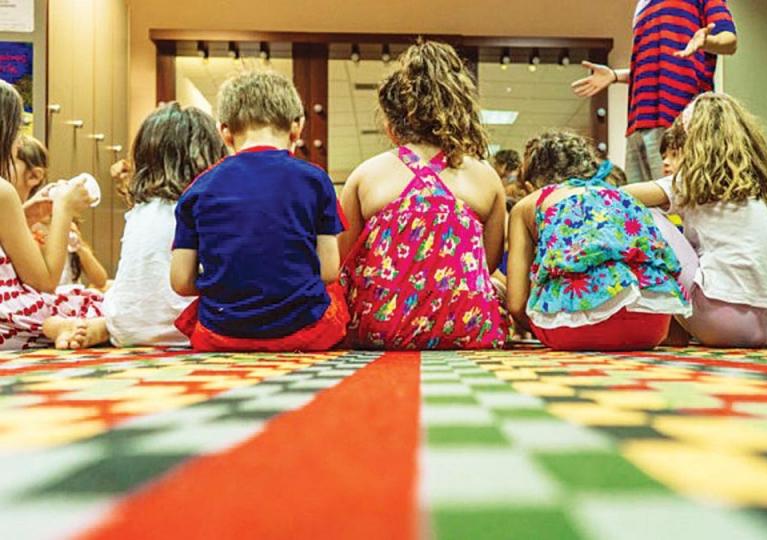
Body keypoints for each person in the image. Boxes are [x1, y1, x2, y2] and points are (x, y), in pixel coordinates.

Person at [338, 41, 508, 350]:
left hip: (380, 329)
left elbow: (343, 259)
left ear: (391, 126)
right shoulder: (485, 177)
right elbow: (487, 261)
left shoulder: (365, 175)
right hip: (466, 327)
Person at [170, 71, 348, 352]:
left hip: (221, 333)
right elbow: (328, 271)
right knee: (338, 293)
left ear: (225, 132)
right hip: (303, 331)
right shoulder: (316, 180)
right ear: (297, 128)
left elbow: (181, 282)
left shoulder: (198, 189)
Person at [625, 93, 767, 347]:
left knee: (645, 216)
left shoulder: (689, 183)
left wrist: (575, 191)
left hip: (717, 323)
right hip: (765, 328)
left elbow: (621, 195)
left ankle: (665, 329)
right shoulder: (757, 195)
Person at [506, 130, 689, 351]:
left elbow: (516, 304)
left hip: (572, 331)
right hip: (651, 325)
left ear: (530, 185)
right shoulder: (621, 195)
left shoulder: (529, 204)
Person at [98, 103, 228, 347]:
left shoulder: (140, 211)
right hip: (186, 331)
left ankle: (98, 327)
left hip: (125, 329)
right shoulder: (200, 209)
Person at [572, 0, 738, 183]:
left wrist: (707, 41)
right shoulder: (642, 6)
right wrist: (615, 75)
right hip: (637, 124)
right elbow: (653, 67)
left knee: (678, 196)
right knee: (638, 200)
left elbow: (729, 41)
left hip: (678, 120)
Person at [0, 80, 103, 350]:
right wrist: (64, 209)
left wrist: (24, 216)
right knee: (94, 302)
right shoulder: (3, 192)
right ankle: (55, 326)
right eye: (18, 131)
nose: (18, 142)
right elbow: (44, 282)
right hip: (6, 318)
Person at [16, 136, 109, 291]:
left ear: (34, 176)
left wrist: (78, 246)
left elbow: (100, 279)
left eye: (9, 157)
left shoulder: (57, 219)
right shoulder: (22, 222)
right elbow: (46, 283)